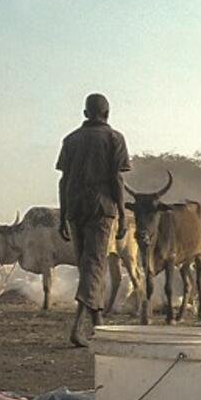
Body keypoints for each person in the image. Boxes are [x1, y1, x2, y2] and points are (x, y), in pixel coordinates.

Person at [56, 93, 130, 347]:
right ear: (107, 113)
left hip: (75, 208)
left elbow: (63, 180)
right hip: (101, 208)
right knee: (94, 266)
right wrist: (121, 215)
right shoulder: (114, 138)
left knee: (87, 267)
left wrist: (63, 215)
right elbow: (117, 180)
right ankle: (77, 328)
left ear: (85, 114)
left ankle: (98, 326)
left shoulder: (71, 139)